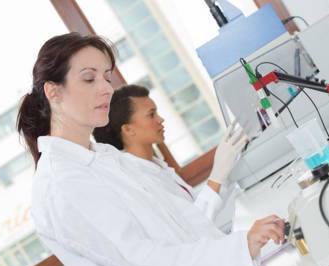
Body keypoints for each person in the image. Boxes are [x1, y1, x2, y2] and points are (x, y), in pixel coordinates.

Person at [17, 32, 285, 266]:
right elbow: (144, 263)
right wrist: (240, 248)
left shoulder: (104, 156)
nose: (106, 88)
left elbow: (184, 221)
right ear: (53, 91)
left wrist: (248, 244)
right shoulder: (62, 183)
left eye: (107, 77)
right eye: (89, 78)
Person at [93, 84, 246, 220]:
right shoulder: (138, 178)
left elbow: (198, 208)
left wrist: (229, 170)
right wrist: (217, 174)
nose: (161, 119)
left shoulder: (157, 165)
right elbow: (194, 225)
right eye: (151, 115)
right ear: (128, 129)